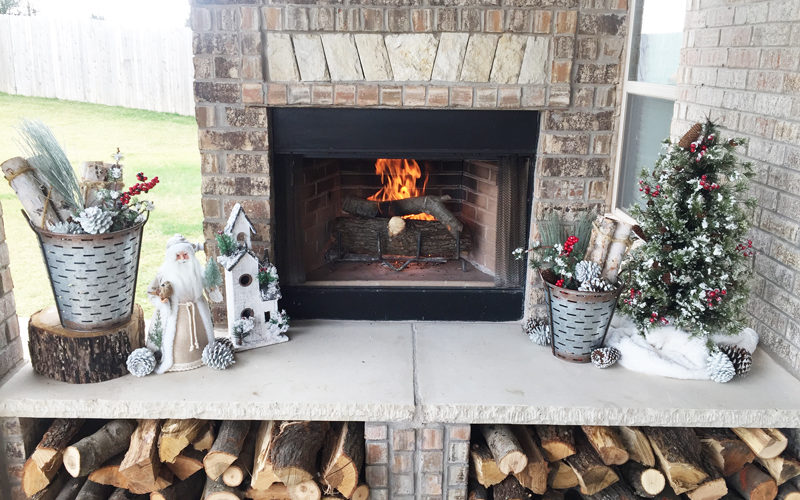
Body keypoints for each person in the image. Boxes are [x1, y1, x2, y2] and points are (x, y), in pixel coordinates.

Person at [148, 234, 219, 373]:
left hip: (197, 310)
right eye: (177, 256)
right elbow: (151, 291)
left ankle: (204, 356)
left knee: (201, 335)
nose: (182, 260)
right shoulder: (163, 274)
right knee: (176, 339)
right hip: (175, 310)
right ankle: (175, 360)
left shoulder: (197, 271)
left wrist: (212, 288)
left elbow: (209, 287)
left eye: (185, 255)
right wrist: (162, 301)